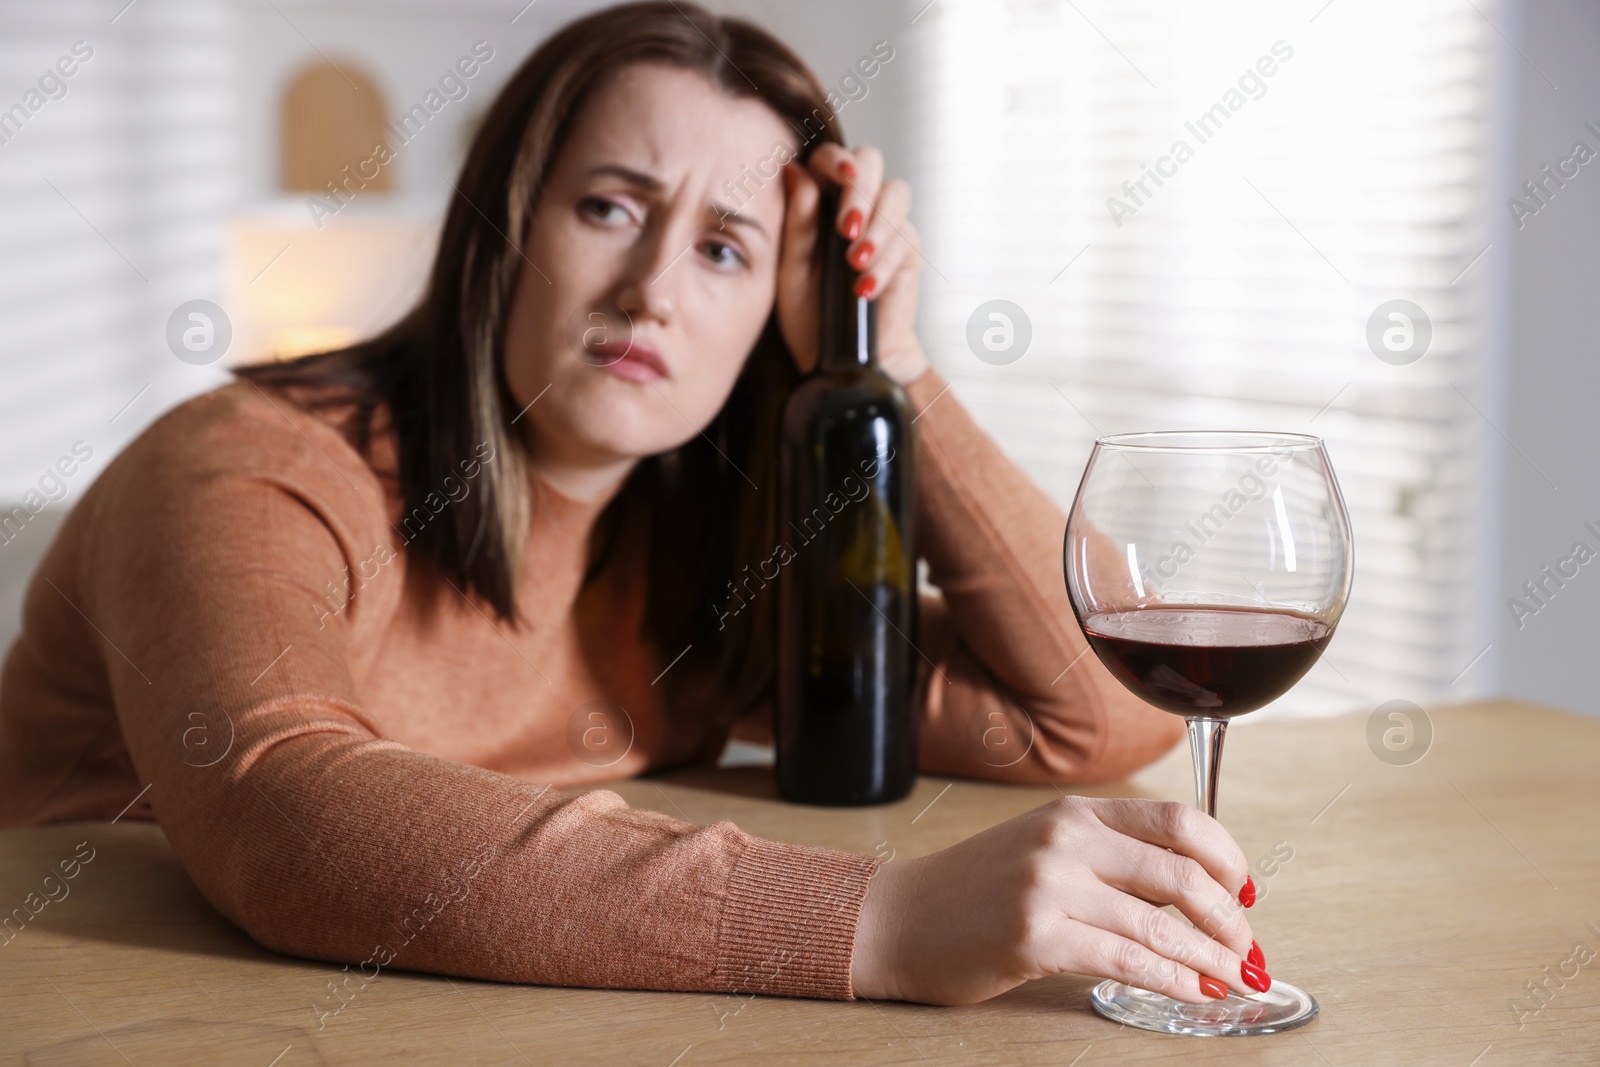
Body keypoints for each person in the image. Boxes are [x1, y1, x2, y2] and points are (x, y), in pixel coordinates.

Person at [0, 0, 1268, 1008]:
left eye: (724, 247)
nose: (652, 285)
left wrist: (880, 364)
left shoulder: (699, 568)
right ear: (506, 227)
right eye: (610, 205)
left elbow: (1094, 706)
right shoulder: (247, 466)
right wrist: (882, 919)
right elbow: (277, 804)